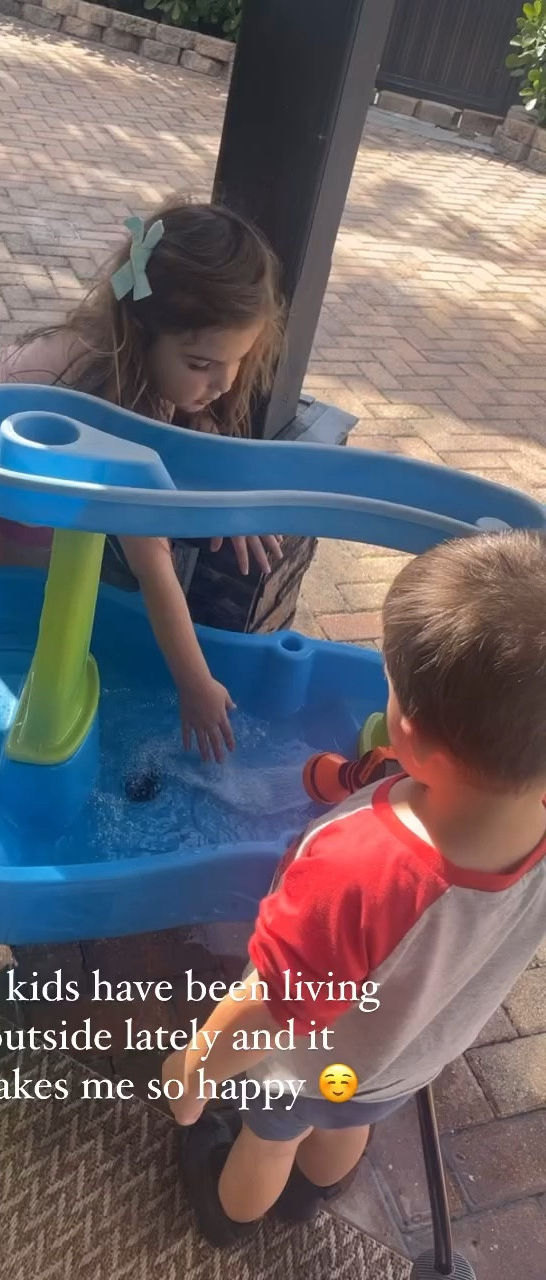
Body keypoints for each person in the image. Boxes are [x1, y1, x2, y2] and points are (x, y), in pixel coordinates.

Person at [161, 529, 546, 1247]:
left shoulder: (360, 868)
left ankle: (228, 1218)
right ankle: (313, 1195)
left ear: (413, 734)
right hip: (402, 1058)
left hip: (303, 1063)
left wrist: (193, 1074)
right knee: (346, 1116)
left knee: (269, 1136)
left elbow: (270, 1010)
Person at [0, 201, 284, 763]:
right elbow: (151, 561)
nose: (224, 382)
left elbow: (195, 441)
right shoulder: (106, 400)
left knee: (26, 604)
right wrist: (195, 683)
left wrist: (231, 504)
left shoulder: (150, 376)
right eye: (201, 363)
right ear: (143, 332)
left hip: (43, 477)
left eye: (237, 359)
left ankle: (9, 711)